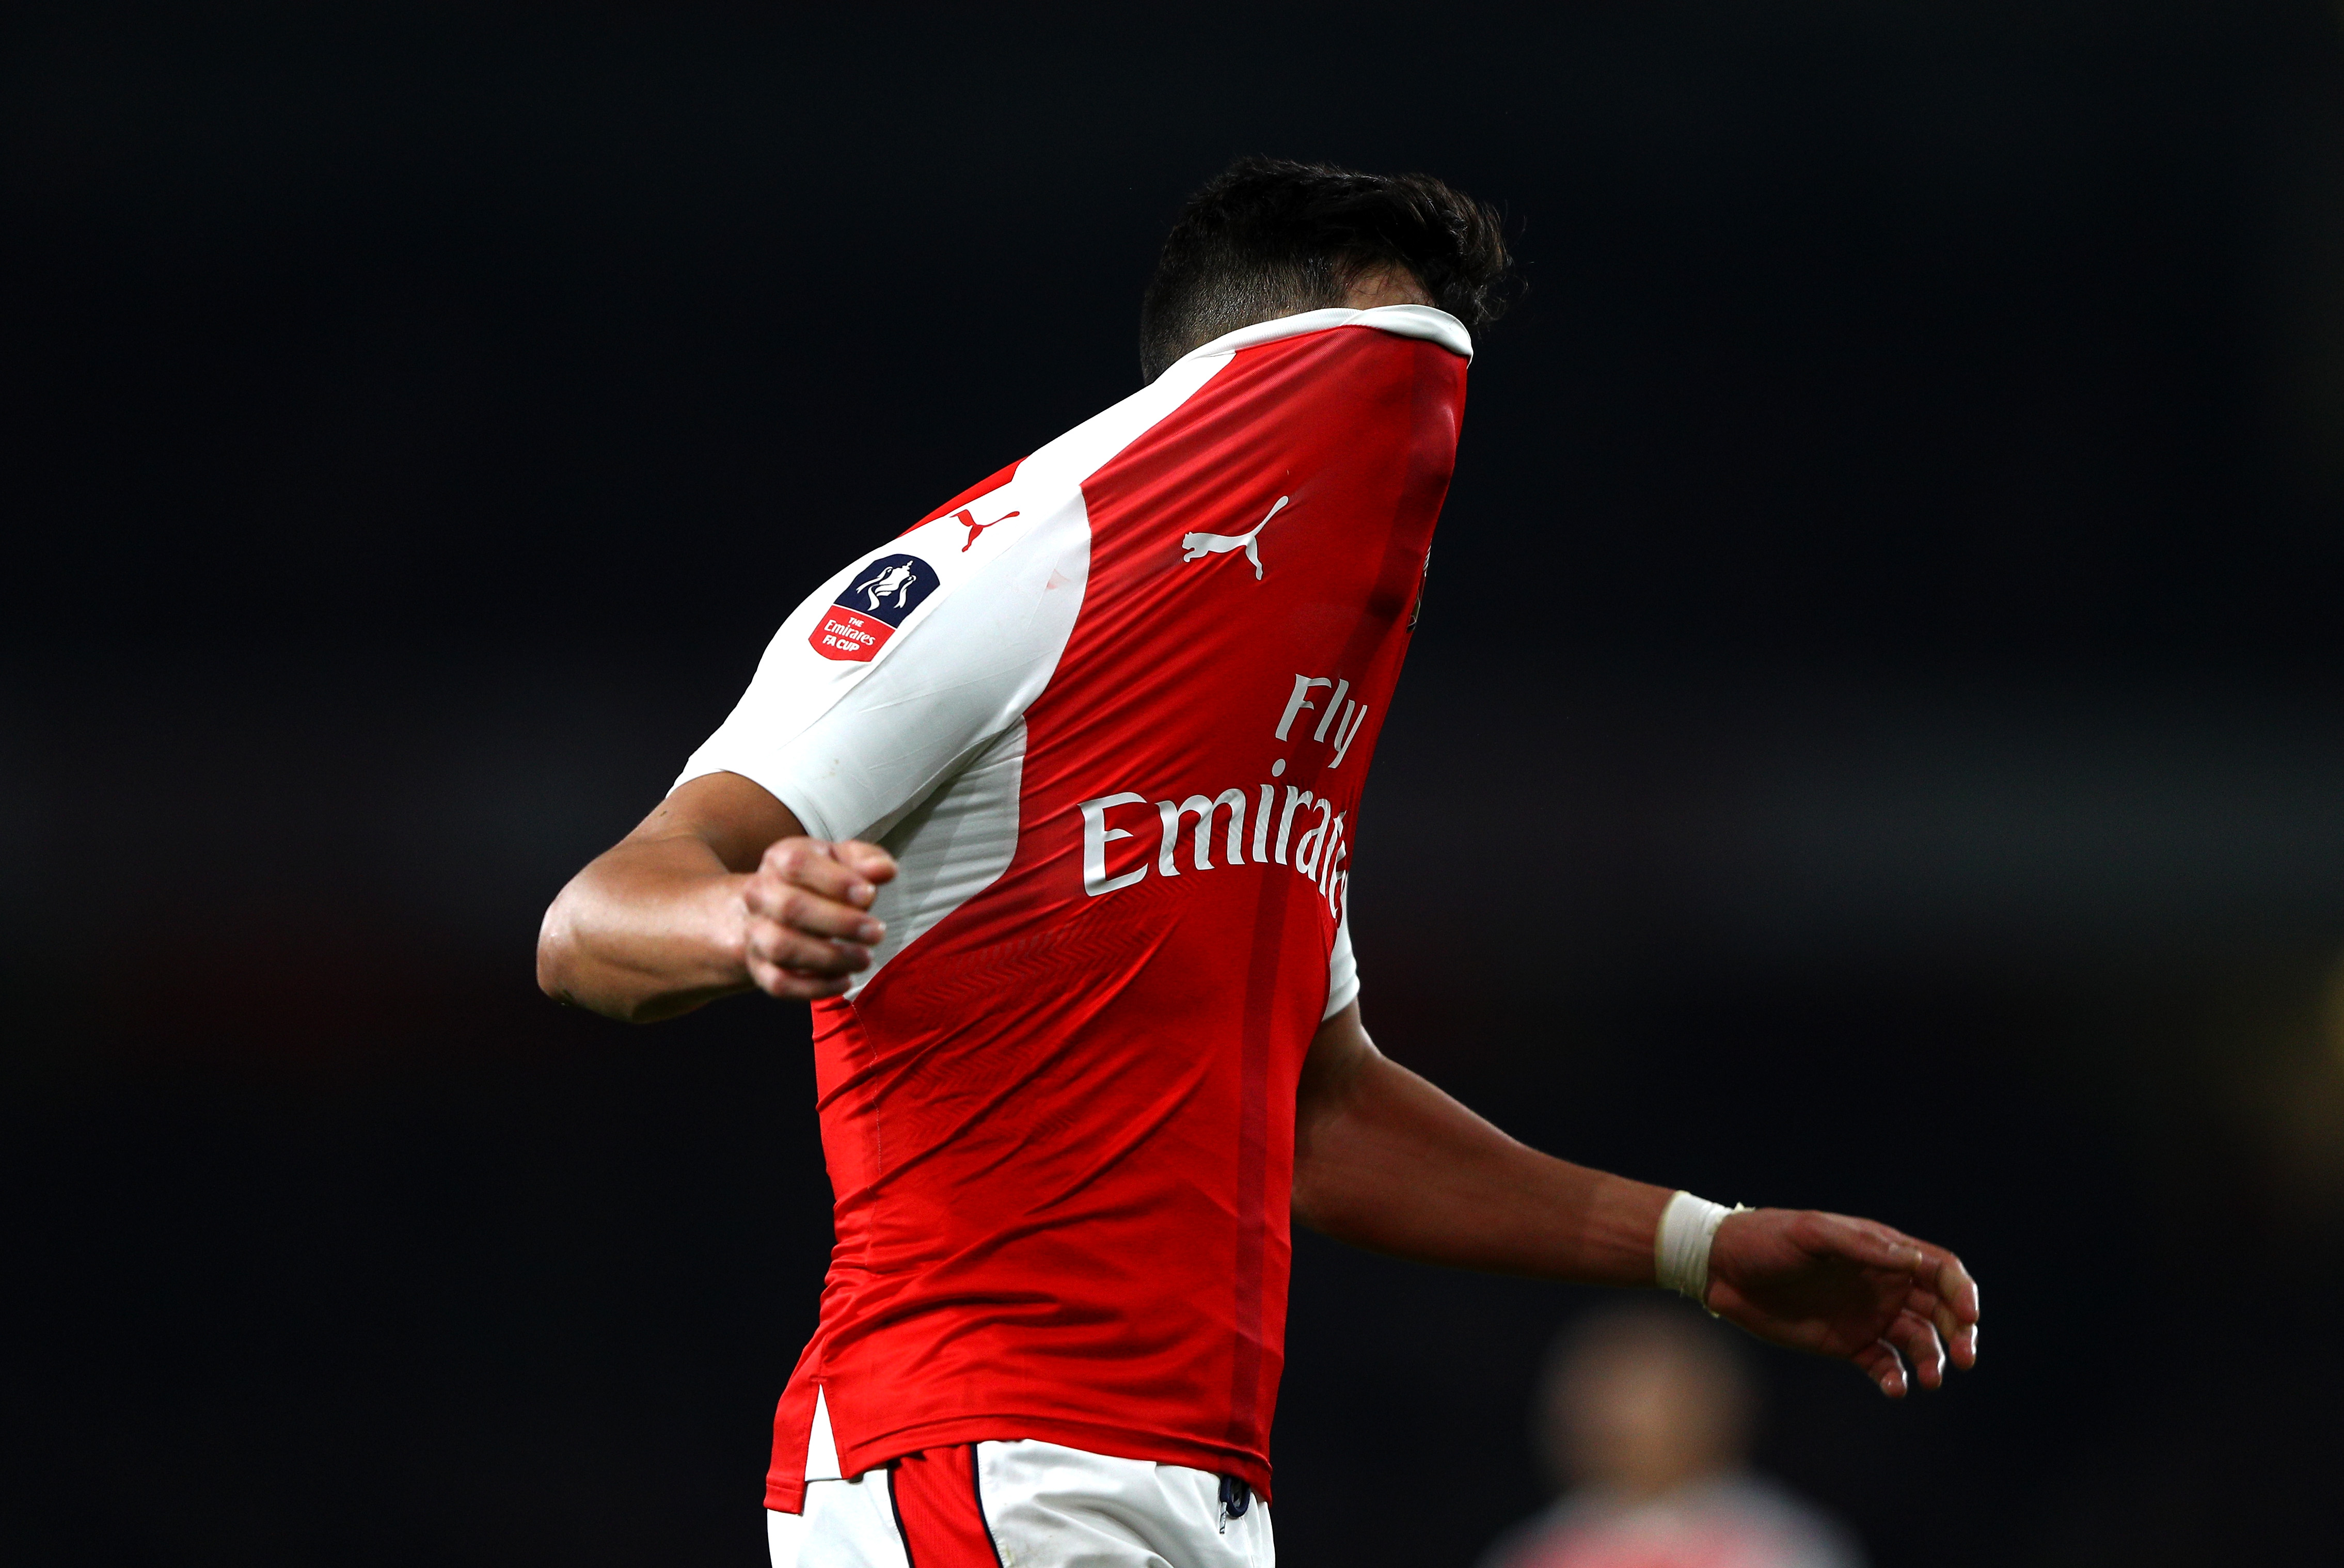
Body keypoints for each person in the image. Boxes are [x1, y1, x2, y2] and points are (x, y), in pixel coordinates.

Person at [535, 155, 1982, 1568]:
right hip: (974, 1452)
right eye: (1380, 356)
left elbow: (1321, 1108)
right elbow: (587, 919)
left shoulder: (1264, 711)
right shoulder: (1003, 565)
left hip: (1191, 1485)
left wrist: (1699, 1250)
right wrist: (742, 913)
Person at [1481, 1306, 1866, 1568]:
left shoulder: (1779, 1546)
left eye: (1638, 1393)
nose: (1612, 1418)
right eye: (1596, 1391)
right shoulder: (1537, 1552)